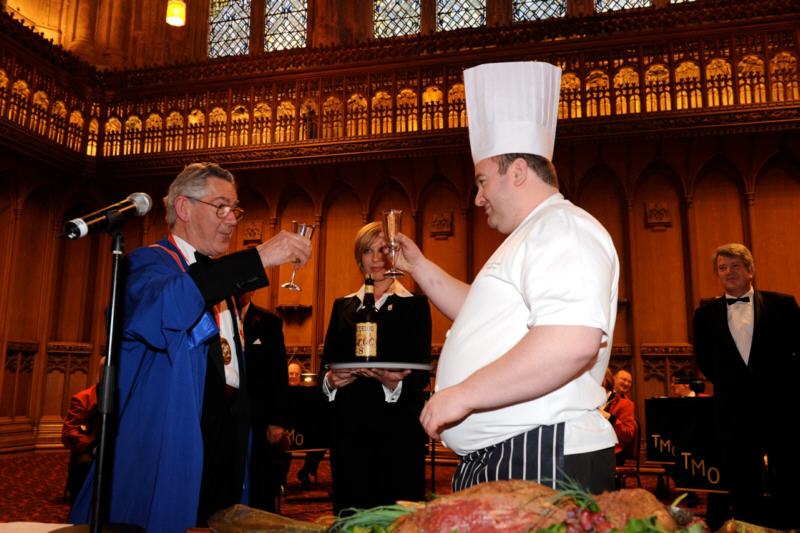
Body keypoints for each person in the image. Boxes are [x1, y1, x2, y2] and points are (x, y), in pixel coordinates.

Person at [394, 61, 619, 494]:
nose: (477, 197)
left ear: (517, 171)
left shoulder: (562, 227)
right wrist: (418, 266)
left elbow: (571, 343)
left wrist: (462, 395)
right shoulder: (533, 234)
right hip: (515, 452)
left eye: (482, 181)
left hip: (542, 449)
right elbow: (479, 316)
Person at [69, 162, 312, 532]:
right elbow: (166, 309)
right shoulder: (148, 263)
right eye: (221, 207)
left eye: (236, 208)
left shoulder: (221, 280)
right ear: (183, 208)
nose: (232, 219)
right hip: (180, 427)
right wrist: (257, 258)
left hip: (229, 430)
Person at [321, 221, 432, 514]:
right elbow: (327, 365)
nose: (377, 258)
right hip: (350, 433)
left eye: (383, 250)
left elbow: (421, 370)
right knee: (352, 515)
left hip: (399, 433)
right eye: (368, 251)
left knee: (396, 518)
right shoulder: (342, 306)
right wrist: (332, 381)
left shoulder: (415, 305)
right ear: (360, 259)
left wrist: (392, 383)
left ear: (394, 255)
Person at [693, 243, 800, 529]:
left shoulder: (784, 304)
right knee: (741, 473)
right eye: (722, 268)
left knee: (787, 470)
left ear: (750, 270)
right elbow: (704, 360)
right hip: (733, 409)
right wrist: (733, 384)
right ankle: (747, 524)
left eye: (735, 266)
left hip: (779, 405)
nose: (728, 272)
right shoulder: (705, 315)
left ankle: (788, 523)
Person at [241, 290, 290, 513]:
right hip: (224, 419)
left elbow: (278, 375)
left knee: (260, 485)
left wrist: (277, 421)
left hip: (260, 421)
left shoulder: (269, 322)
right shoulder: (215, 319)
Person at [61, 357, 105, 505]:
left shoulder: (125, 397)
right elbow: (69, 434)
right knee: (85, 464)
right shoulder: (83, 398)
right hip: (90, 451)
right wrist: (93, 447)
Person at [599, 369, 636, 466]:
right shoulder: (598, 396)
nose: (627, 383)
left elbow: (628, 435)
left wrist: (611, 418)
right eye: (624, 379)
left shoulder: (626, 404)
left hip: (613, 451)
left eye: (629, 382)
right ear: (613, 379)